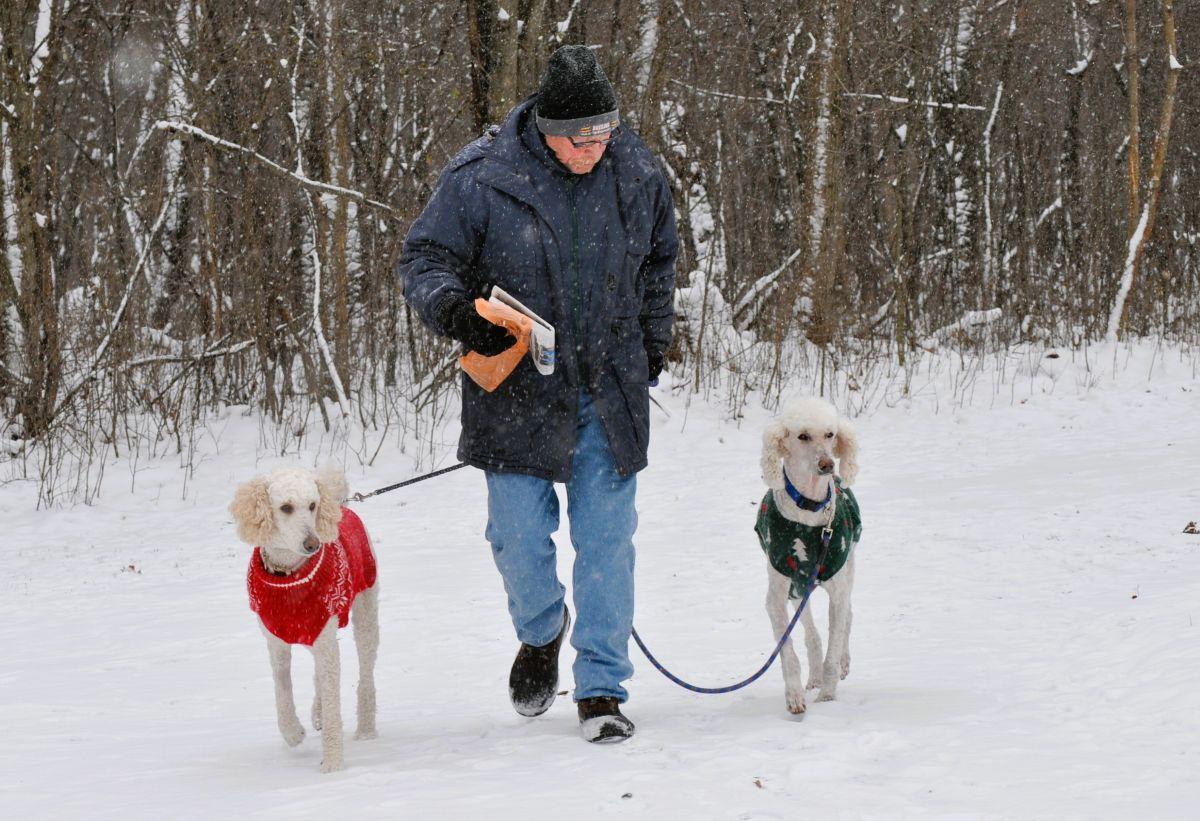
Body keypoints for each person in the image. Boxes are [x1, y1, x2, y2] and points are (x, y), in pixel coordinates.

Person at [399, 44, 677, 743]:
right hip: (516, 392)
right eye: (579, 135)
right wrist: (457, 313)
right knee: (519, 537)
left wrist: (652, 343)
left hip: (608, 392)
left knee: (607, 542)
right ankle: (543, 627)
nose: (593, 146)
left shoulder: (638, 173)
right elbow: (425, 257)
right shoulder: (483, 177)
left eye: (603, 131)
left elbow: (660, 261)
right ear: (546, 128)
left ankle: (602, 687)